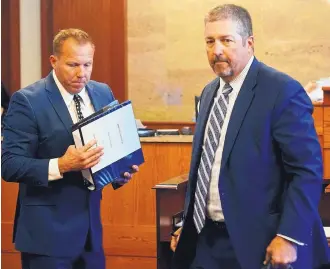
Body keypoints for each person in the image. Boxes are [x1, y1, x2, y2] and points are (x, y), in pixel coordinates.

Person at [170, 4, 330, 269]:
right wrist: (189, 224)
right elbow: (205, 168)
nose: (216, 50)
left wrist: (288, 237)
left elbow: (306, 171)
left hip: (259, 243)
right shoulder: (210, 93)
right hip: (207, 241)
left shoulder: (281, 91)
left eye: (226, 40)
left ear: (249, 43)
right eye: (210, 41)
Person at [1, 28, 139, 269]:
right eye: (73, 65)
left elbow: (108, 147)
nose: (81, 74)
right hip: (46, 237)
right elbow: (10, 164)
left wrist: (118, 172)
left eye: (87, 65)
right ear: (54, 61)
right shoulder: (27, 101)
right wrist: (62, 165)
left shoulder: (102, 92)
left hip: (91, 236)